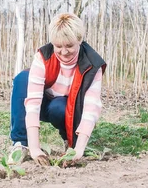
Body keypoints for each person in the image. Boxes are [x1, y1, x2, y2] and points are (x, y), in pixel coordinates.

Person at [10, 12, 106, 166]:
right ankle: (21, 144)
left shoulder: (92, 66)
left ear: (80, 40)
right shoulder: (43, 57)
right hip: (42, 103)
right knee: (22, 79)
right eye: (58, 46)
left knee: (59, 106)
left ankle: (69, 141)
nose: (63, 52)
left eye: (69, 46)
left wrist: (79, 148)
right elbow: (33, 103)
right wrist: (35, 149)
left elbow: (91, 108)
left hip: (66, 108)